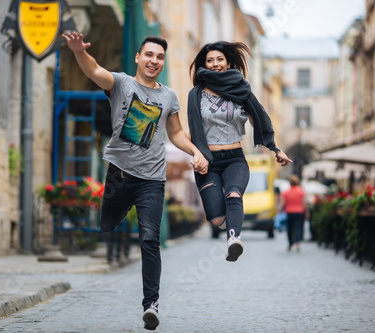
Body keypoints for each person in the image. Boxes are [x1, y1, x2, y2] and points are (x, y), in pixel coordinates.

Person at [62, 32, 208, 331]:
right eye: (149, 55)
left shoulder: (168, 97)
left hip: (151, 180)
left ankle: (151, 305)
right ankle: (116, 213)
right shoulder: (122, 83)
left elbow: (176, 133)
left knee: (149, 239)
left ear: (162, 63)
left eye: (160, 57)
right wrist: (78, 51)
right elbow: (93, 70)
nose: (154, 60)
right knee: (106, 223)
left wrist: (195, 151)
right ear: (138, 58)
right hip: (119, 173)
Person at [187, 41, 292, 262]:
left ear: (227, 62)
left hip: (235, 158)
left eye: (220, 59)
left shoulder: (241, 89)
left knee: (234, 193)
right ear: (204, 64)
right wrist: (194, 153)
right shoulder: (195, 94)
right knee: (216, 218)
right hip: (208, 161)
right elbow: (193, 128)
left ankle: (233, 239)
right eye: (210, 60)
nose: (215, 64)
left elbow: (259, 118)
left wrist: (275, 148)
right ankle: (227, 216)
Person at [278, 174, 310, 252]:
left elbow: (282, 203)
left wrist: (278, 211)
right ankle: (297, 242)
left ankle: (290, 243)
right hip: (299, 212)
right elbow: (304, 203)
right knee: (298, 227)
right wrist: (307, 212)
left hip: (289, 213)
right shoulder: (300, 191)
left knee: (289, 228)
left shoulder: (286, 192)